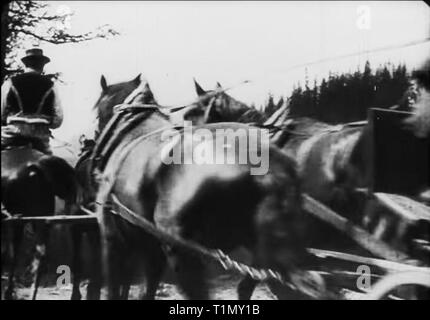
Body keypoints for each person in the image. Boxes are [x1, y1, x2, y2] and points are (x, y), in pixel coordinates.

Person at [1, 48, 63, 154]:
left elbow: (1, 113)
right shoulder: (51, 86)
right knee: (52, 166)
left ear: (25, 64)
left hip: (12, 135)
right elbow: (58, 120)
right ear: (42, 66)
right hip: (40, 138)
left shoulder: (10, 83)